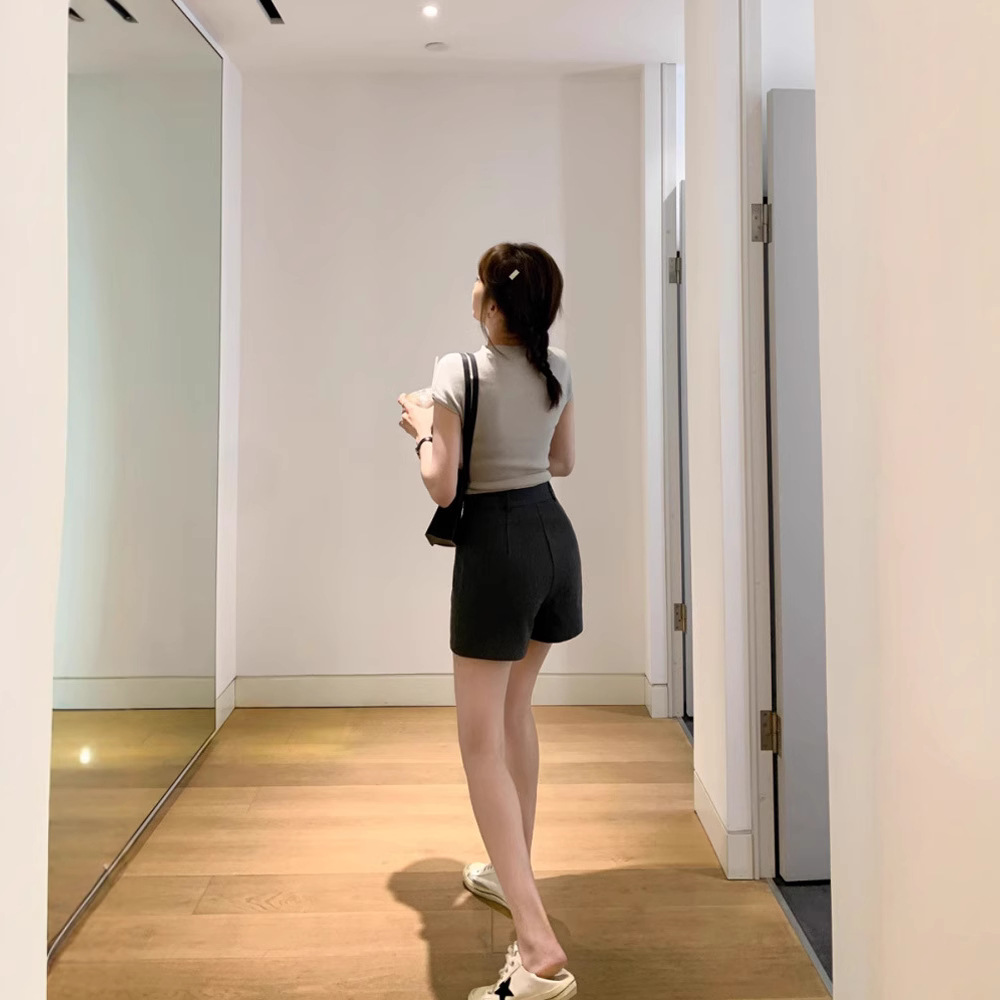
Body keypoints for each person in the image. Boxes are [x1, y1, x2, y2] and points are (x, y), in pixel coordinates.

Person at [398, 243, 583, 1000]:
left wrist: (422, 426)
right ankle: (515, 876)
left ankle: (536, 948)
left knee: (479, 742)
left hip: (498, 550)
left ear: (495, 303)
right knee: (514, 714)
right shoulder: (557, 366)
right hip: (553, 540)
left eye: (481, 282)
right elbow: (562, 462)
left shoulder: (457, 370)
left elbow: (442, 487)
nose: (473, 290)